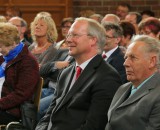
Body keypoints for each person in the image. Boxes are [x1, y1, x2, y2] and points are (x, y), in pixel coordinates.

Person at [35, 17, 122, 130]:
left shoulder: (107, 77)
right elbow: (50, 114)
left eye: (75, 35)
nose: (68, 40)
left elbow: (94, 125)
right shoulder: (66, 73)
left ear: (93, 40)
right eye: (69, 35)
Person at [105, 35, 160, 130]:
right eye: (126, 57)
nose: (125, 63)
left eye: (133, 58)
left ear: (152, 61)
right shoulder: (123, 88)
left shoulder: (157, 94)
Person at [0, 22, 39, 124]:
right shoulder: (4, 57)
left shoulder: (28, 62)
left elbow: (21, 95)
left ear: (13, 43)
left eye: (1, 46)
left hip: (12, 110)